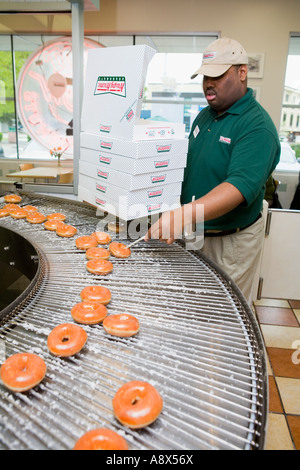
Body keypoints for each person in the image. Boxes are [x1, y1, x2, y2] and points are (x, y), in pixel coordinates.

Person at [145, 37, 281, 302]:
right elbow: (193, 164)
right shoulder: (205, 115)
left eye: (217, 76)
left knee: (224, 318)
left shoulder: (256, 126)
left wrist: (183, 215)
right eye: (205, 76)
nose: (209, 83)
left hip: (230, 244)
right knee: (194, 306)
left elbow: (238, 187)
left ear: (242, 72)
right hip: (196, 233)